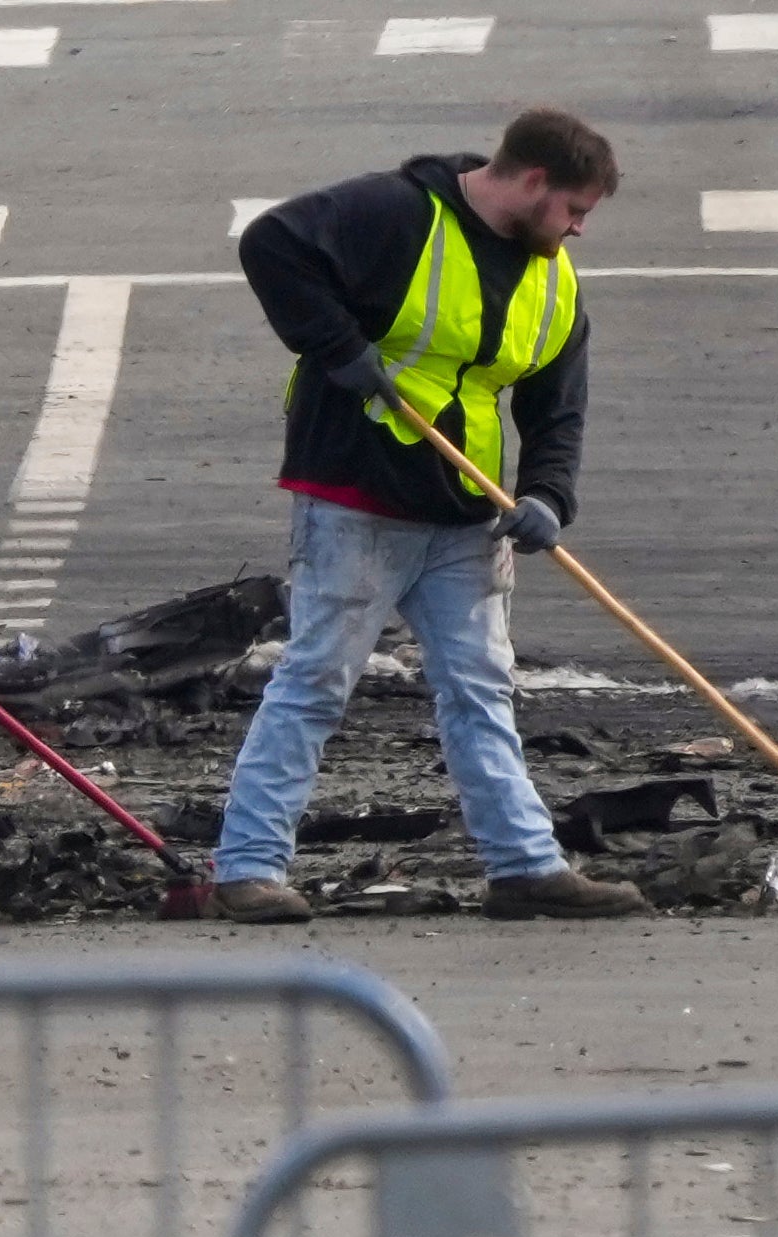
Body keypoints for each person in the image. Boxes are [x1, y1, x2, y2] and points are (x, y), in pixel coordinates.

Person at [207, 107, 651, 923]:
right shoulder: (396, 214)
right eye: (575, 210)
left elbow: (559, 407)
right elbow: (271, 244)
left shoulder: (551, 278)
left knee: (481, 689)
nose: (580, 229)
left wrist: (549, 496)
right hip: (355, 498)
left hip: (467, 515)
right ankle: (247, 868)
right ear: (532, 181)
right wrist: (338, 348)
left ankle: (523, 866)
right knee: (315, 682)